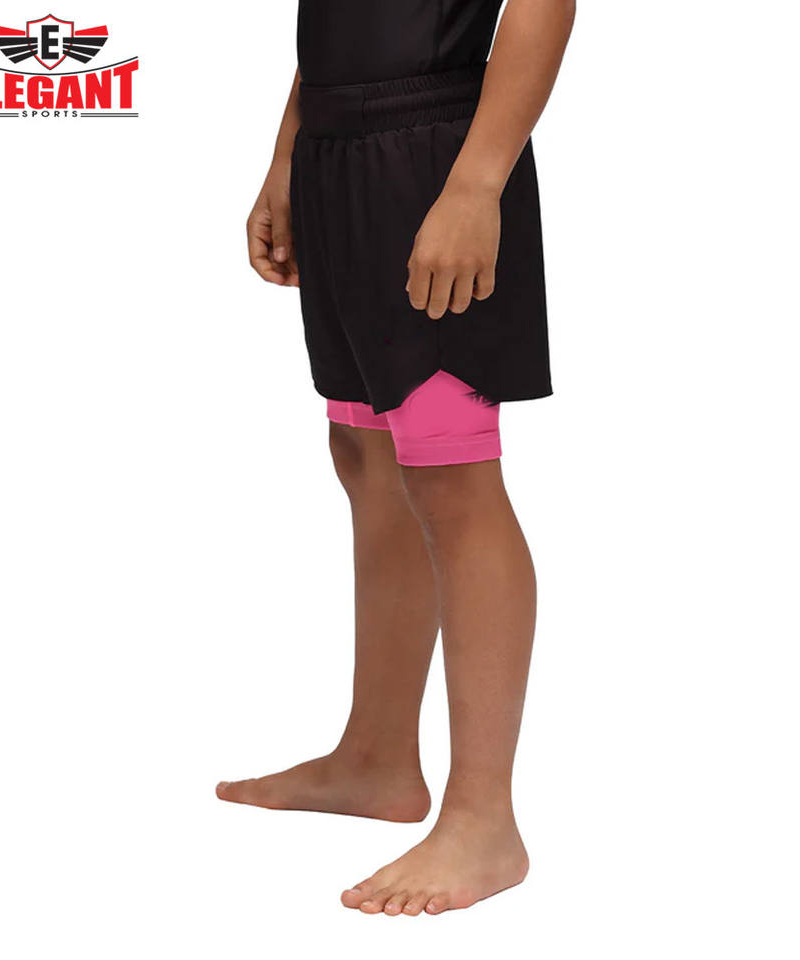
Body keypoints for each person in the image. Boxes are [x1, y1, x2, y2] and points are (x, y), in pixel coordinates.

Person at [217, 0, 575, 915]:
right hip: (337, 149)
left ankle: (485, 820)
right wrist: (287, 154)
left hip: (435, 156)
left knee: (451, 476)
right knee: (365, 454)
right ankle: (375, 758)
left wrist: (477, 186)